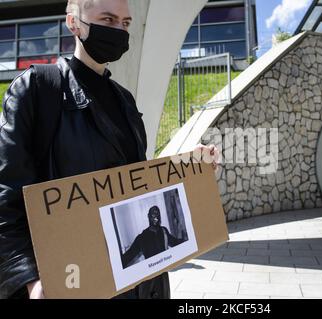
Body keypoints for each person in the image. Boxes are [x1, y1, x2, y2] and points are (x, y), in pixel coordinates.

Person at [0, 0, 219, 299]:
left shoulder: (125, 100)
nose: (118, 30)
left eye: (125, 23)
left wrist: (190, 168)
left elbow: (135, 181)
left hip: (144, 287)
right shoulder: (37, 90)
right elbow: (6, 195)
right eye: (107, 18)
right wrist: (31, 280)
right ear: (73, 22)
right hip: (73, 282)